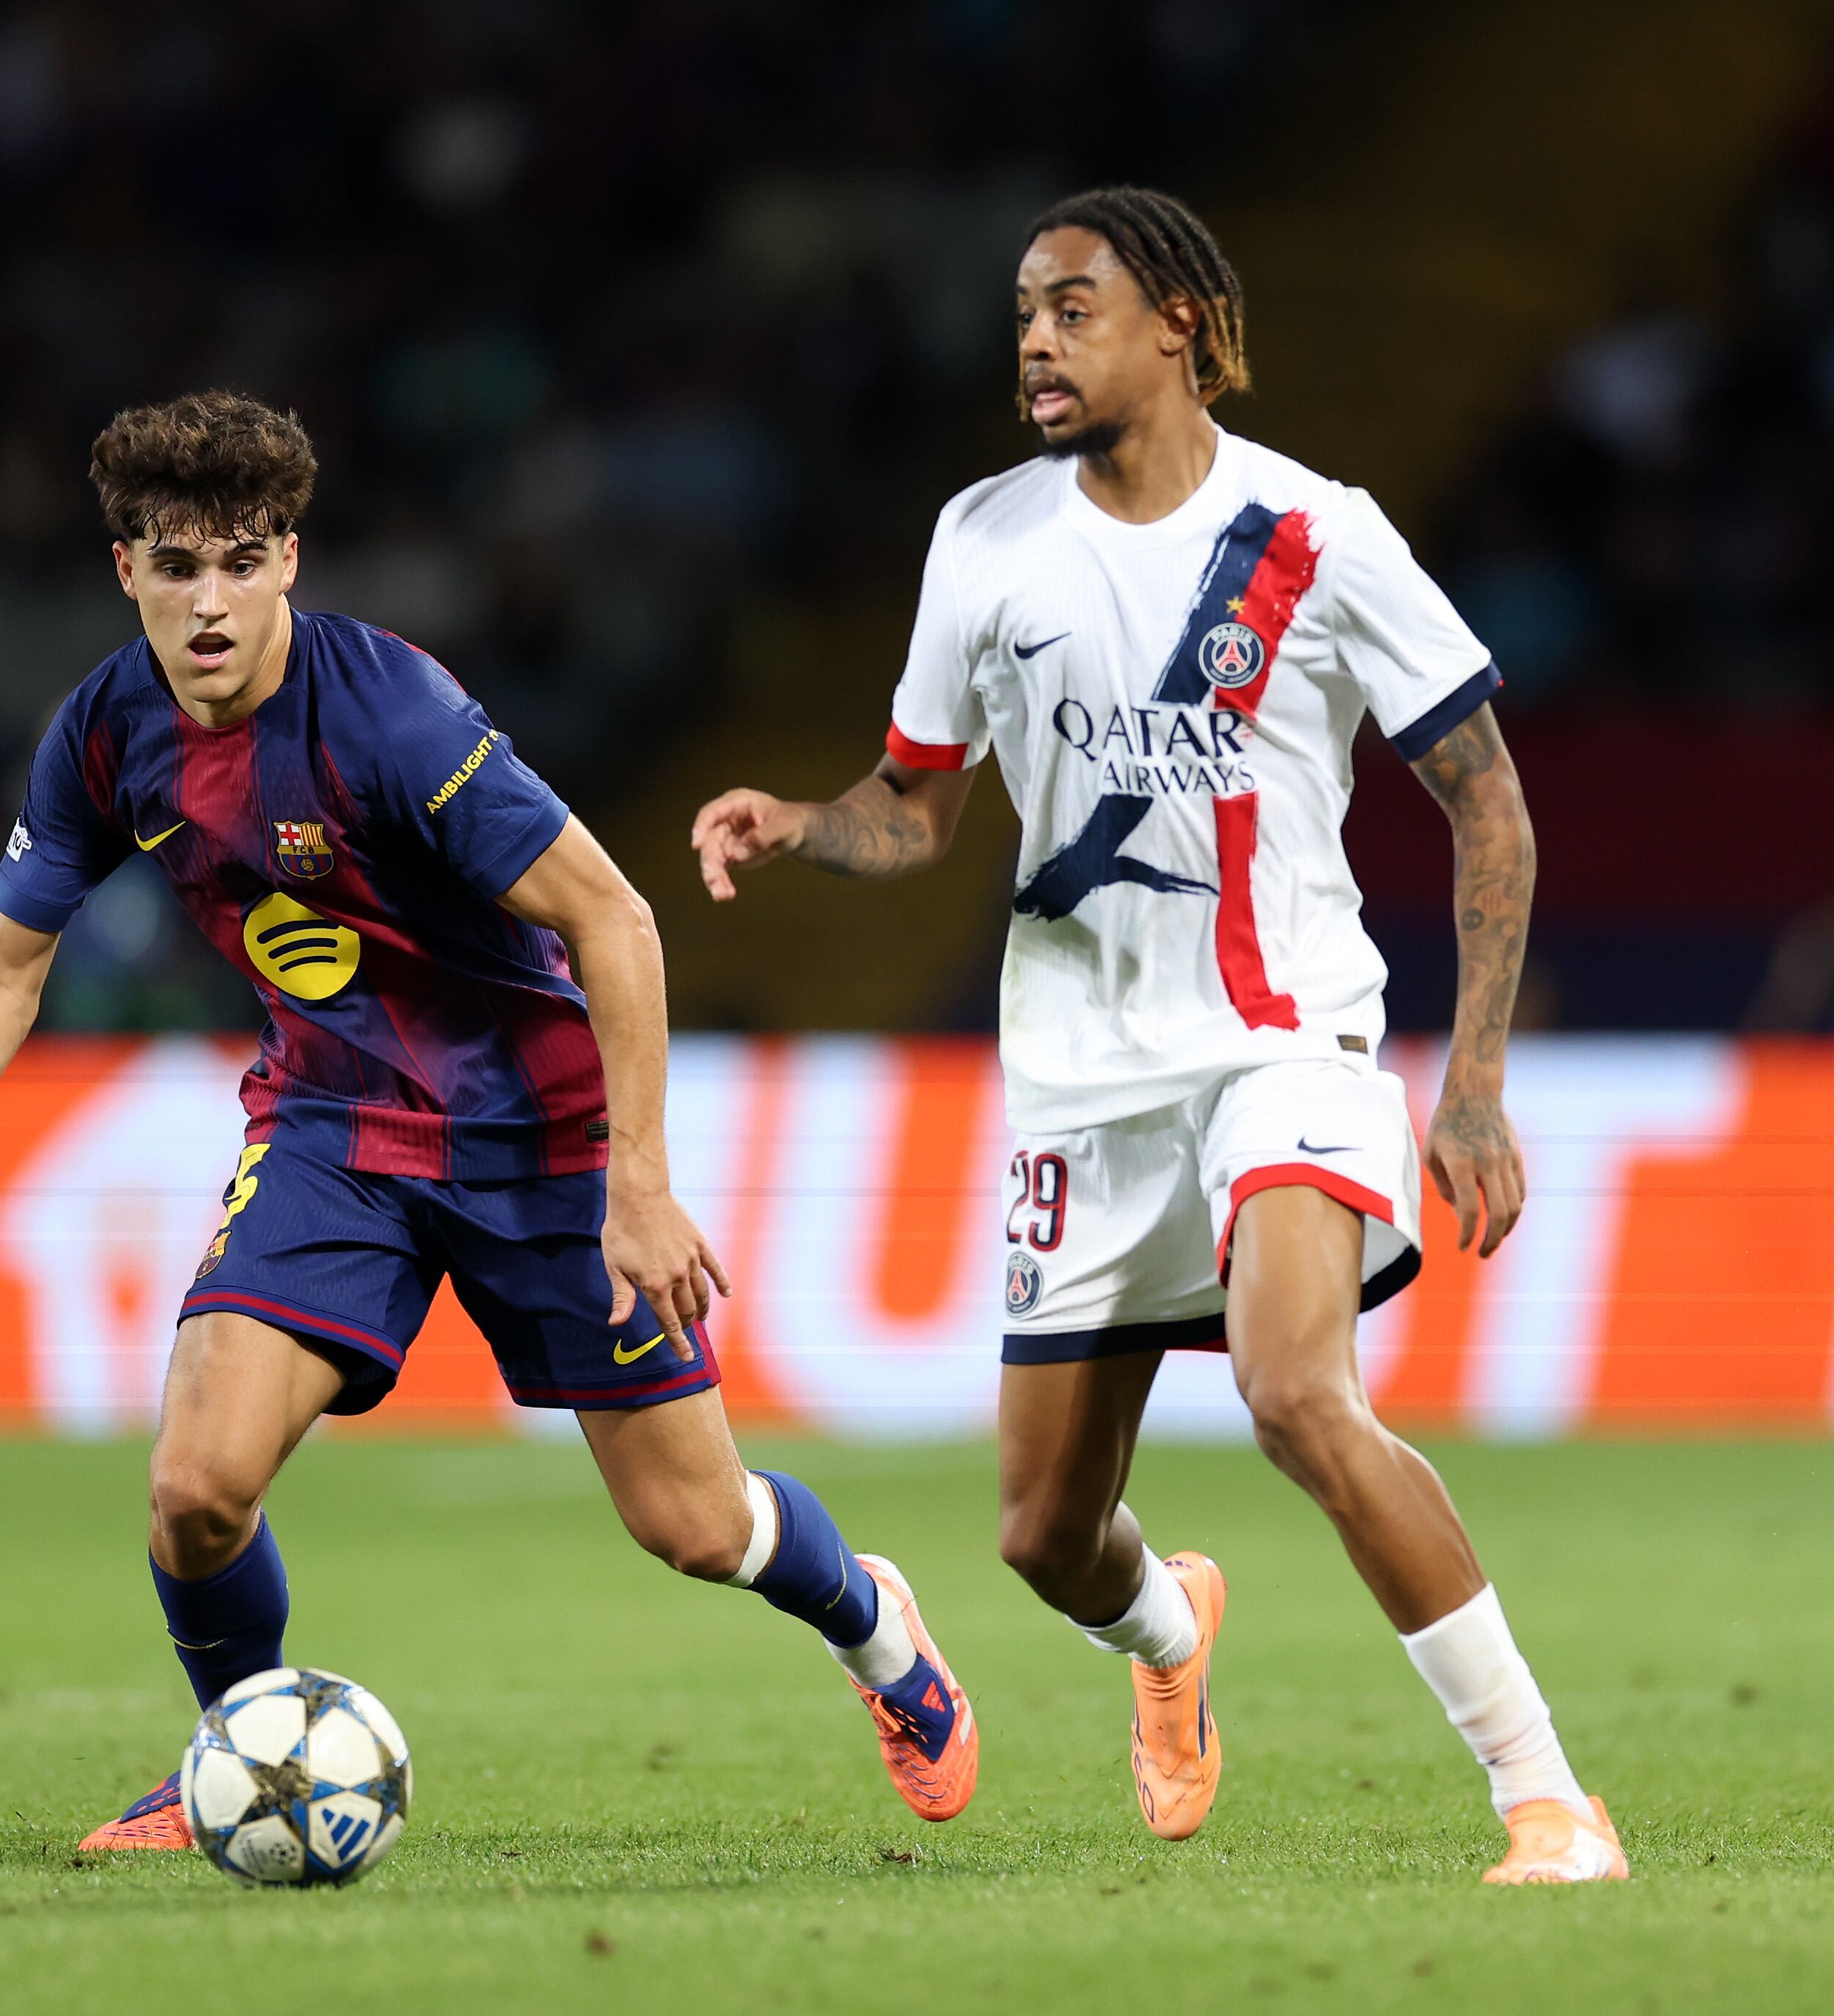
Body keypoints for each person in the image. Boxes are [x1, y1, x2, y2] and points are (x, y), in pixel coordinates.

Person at [0, 390, 975, 1850]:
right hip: (331, 1134)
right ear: (127, 573)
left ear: (288, 559)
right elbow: (4, 970)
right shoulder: (106, 733)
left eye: (240, 560)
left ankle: (874, 1623)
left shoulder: (389, 713)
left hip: (536, 1139)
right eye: (176, 566)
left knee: (695, 1526)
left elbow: (615, 920)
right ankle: (231, 1756)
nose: (210, 600)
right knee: (193, 1489)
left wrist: (638, 1180)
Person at [690, 189, 1622, 1884]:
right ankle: (1170, 1633)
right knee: (1044, 1536)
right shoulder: (981, 536)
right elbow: (912, 809)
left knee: (1293, 1393)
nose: (1034, 341)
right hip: (1075, 1082)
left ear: (1177, 322)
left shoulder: (1315, 534)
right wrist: (795, 821)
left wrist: (1472, 1079)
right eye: (1021, 316)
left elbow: (1486, 798)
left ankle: (1546, 1798)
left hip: (1282, 1043)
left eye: (1070, 306)